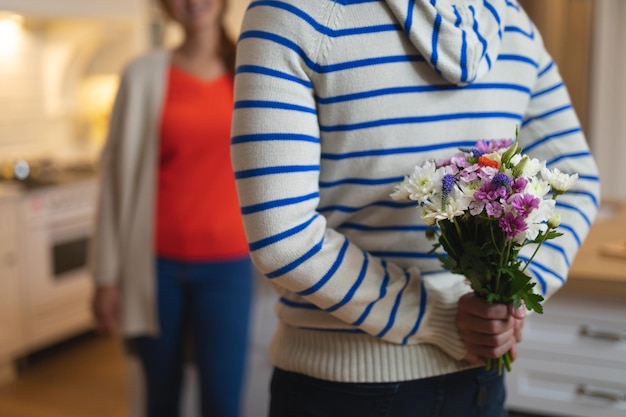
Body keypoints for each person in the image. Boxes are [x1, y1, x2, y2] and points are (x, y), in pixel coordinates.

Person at [230, 1, 600, 416]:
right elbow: (577, 180)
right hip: (477, 376)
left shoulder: (294, 13)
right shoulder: (509, 20)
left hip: (342, 386)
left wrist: (492, 303)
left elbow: (282, 237)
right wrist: (499, 305)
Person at [90, 0, 253, 416]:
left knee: (222, 401)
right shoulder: (142, 75)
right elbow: (115, 182)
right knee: (160, 399)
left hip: (228, 267)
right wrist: (106, 276)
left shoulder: (250, 73)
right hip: (154, 267)